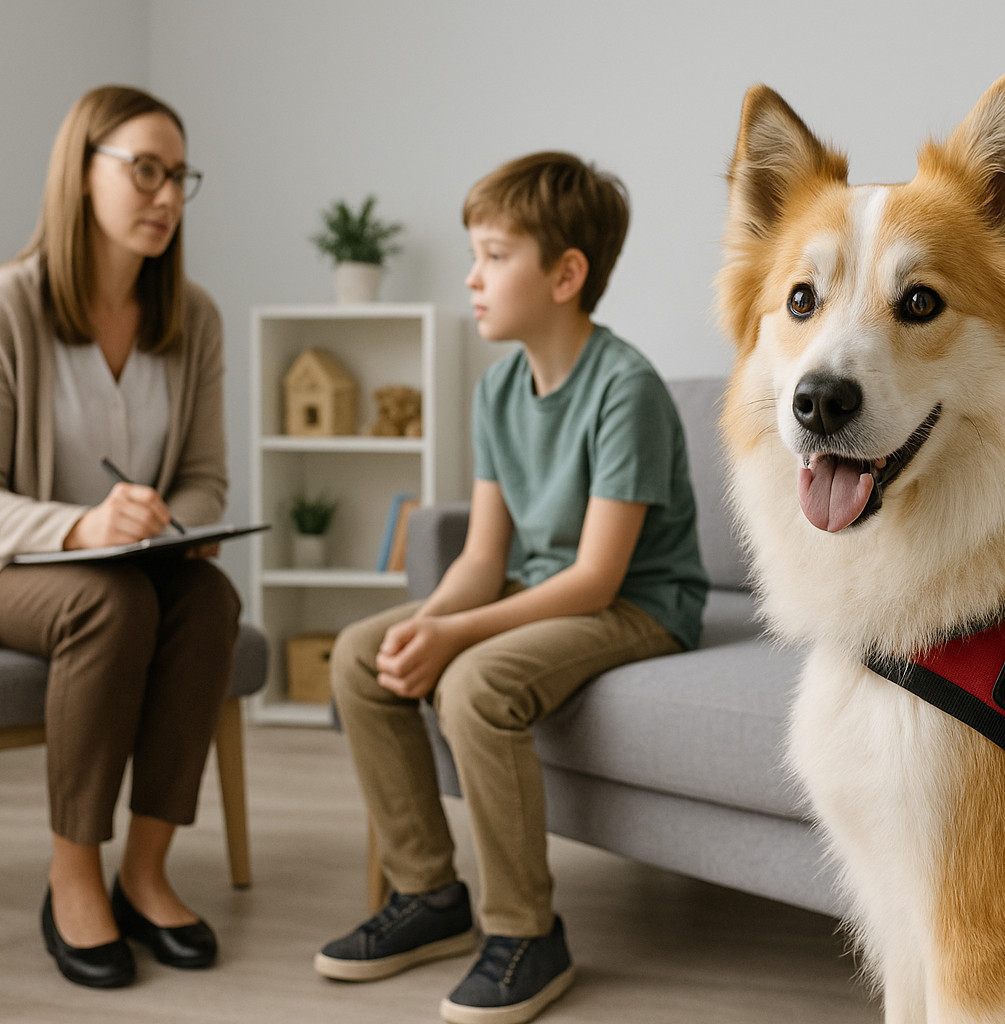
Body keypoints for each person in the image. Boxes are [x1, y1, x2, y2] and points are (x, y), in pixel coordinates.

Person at [317, 151, 709, 1024]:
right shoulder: (498, 390)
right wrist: (426, 622)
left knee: (475, 683)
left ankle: (527, 932)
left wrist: (458, 639)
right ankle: (427, 895)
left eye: (495, 256)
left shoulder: (627, 389)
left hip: (640, 605)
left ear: (566, 275)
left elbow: (597, 578)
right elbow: (481, 558)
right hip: (548, 587)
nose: (472, 277)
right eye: (475, 255)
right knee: (359, 656)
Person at [0, 85, 236, 989]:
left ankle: (146, 871)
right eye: (145, 171)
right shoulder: (2, 304)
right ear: (81, 174)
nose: (166, 196)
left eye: (179, 177)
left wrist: (181, 524)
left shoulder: (195, 319)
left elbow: (205, 475)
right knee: (108, 601)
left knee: (211, 600)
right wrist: (82, 526)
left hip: (136, 565)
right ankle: (73, 874)